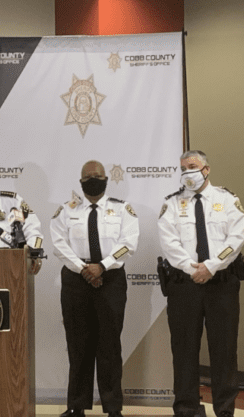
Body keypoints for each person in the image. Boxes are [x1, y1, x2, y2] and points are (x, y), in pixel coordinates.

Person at [157, 150, 244, 417]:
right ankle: (186, 409)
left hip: (222, 284)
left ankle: (225, 410)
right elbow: (168, 241)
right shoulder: (172, 203)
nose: (187, 173)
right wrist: (191, 268)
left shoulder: (227, 200)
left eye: (192, 166)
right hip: (185, 286)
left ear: (206, 169)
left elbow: (236, 238)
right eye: (183, 168)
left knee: (225, 350)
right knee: (184, 350)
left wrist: (211, 266)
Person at [50, 160, 139, 417]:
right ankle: (76, 406)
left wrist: (103, 266)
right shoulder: (66, 211)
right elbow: (59, 244)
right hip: (76, 281)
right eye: (88, 176)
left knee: (110, 346)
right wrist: (84, 269)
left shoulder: (122, 210)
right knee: (78, 344)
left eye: (98, 175)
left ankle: (113, 408)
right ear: (80, 181)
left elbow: (128, 243)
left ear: (106, 179)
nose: (93, 179)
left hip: (110, 279)